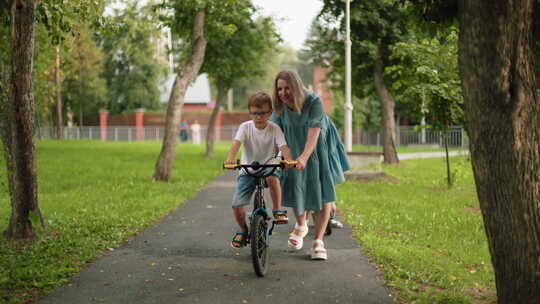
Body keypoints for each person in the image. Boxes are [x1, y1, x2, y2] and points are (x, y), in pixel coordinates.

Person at [270, 69, 351, 260]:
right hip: (293, 143)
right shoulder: (280, 106)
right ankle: (301, 224)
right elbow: (273, 134)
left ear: (296, 86)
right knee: (295, 182)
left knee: (321, 190)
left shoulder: (314, 101)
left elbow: (314, 132)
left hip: (319, 142)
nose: (283, 93)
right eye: (279, 89)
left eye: (287, 88)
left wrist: (304, 157)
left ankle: (318, 242)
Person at [224, 92, 294, 248]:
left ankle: (277, 210)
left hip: (269, 167)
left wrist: (288, 159)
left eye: (262, 113)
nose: (258, 117)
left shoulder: (274, 129)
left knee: (272, 178)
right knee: (236, 205)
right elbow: (236, 144)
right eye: (254, 113)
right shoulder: (245, 127)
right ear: (250, 112)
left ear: (270, 112)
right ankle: (243, 230)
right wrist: (230, 158)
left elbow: (283, 146)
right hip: (248, 169)